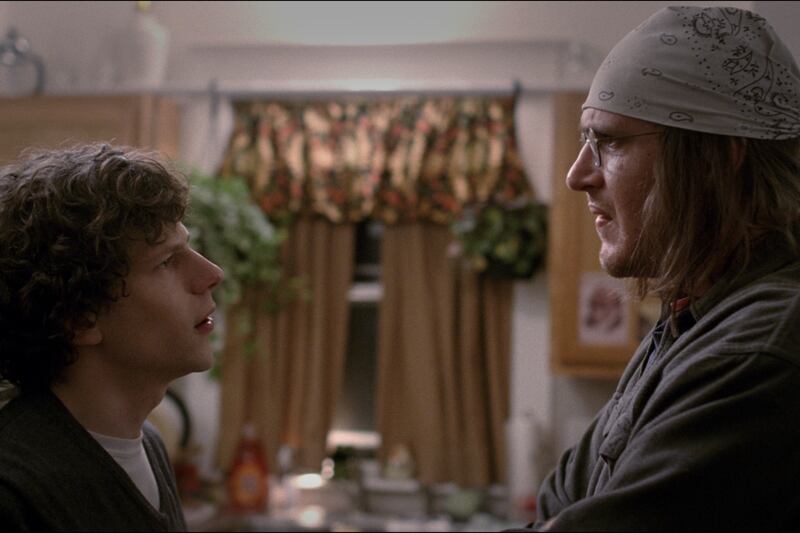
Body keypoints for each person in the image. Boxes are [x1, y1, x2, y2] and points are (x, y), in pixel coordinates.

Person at [532, 6, 800, 531]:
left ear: (716, 158)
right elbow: (557, 502)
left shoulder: (758, 348)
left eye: (609, 141)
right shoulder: (690, 322)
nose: (577, 175)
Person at [0, 143, 224, 531]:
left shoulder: (148, 443)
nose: (212, 274)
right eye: (166, 261)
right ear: (79, 318)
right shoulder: (14, 491)